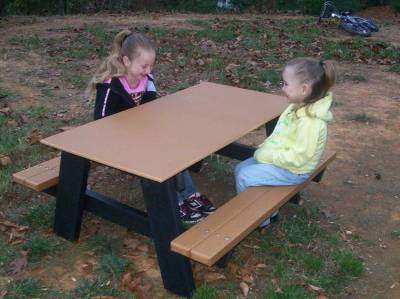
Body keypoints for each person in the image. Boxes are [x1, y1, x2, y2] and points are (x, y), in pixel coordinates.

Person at [86, 29, 215, 224]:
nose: (148, 71)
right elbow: (101, 122)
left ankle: (189, 194)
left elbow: (151, 110)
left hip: (140, 135)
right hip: (115, 142)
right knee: (160, 154)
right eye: (144, 66)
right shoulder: (110, 86)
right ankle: (175, 201)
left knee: (175, 144)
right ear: (127, 61)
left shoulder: (147, 80)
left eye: (151, 65)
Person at [234, 57, 336, 228]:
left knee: (246, 176)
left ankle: (259, 221)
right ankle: (267, 210)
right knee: (240, 168)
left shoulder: (311, 122)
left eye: (286, 84)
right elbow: (281, 135)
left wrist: (267, 155)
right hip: (282, 161)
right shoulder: (297, 106)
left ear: (304, 89)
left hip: (294, 170)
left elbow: (297, 158)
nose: (282, 88)